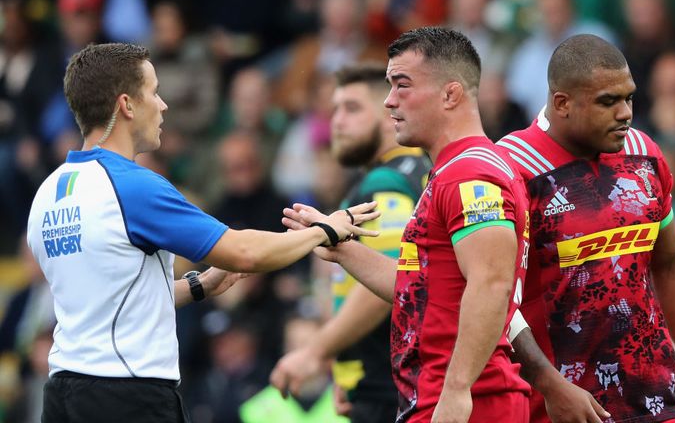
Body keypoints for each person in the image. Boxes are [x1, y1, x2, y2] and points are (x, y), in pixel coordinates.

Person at [25, 42, 379, 423]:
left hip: (62, 395)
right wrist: (325, 229)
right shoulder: (133, 186)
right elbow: (243, 251)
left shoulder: (48, 193)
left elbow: (110, 301)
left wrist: (201, 287)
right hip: (128, 396)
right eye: (154, 91)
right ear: (127, 105)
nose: (162, 105)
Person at [281, 26, 532, 423]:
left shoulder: (469, 175)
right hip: (432, 395)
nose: (390, 102)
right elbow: (417, 286)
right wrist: (339, 244)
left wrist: (457, 390)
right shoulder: (450, 171)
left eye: (402, 85)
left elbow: (491, 283)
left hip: (471, 401)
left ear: (451, 94)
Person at [496, 34, 675, 423]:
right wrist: (551, 386)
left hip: (654, 399)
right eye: (608, 101)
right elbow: (495, 296)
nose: (625, 113)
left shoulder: (644, 154)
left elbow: (670, 263)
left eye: (629, 98)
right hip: (557, 408)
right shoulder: (510, 169)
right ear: (562, 103)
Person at [270, 64, 432, 423]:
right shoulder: (414, 172)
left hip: (387, 385)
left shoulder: (387, 182)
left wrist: (316, 350)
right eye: (335, 110)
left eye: (353, 108)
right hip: (383, 378)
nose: (338, 122)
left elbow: (391, 282)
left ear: (391, 114)